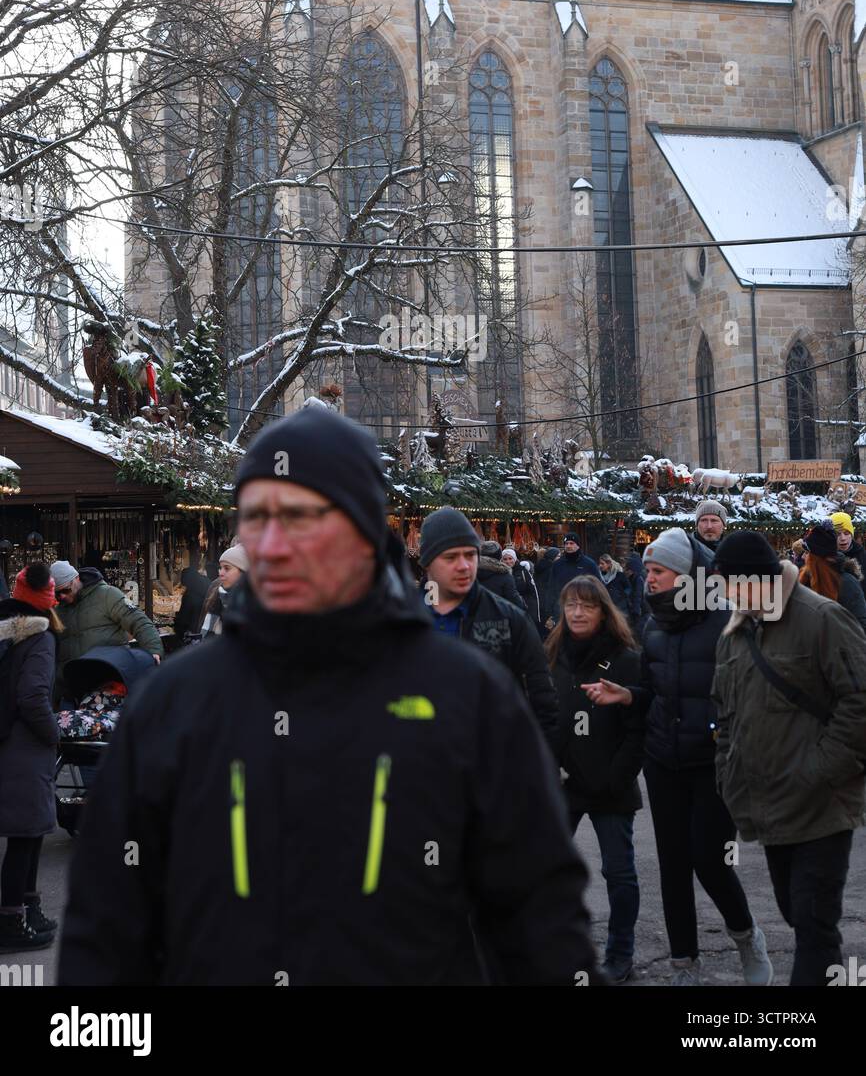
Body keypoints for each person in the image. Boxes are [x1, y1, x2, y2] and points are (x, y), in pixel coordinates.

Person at [59, 408, 602, 986]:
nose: (273, 540)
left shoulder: (465, 695)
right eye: (256, 517)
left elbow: (541, 922)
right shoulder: (175, 704)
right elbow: (105, 933)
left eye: (300, 515)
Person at [586, 527, 772, 987]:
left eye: (658, 571)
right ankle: (683, 963)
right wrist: (628, 695)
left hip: (711, 763)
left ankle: (746, 936)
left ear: (687, 575)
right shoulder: (654, 627)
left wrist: (722, 733)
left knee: (710, 858)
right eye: (647, 570)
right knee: (672, 866)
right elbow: (654, 692)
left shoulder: (727, 621)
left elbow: (748, 691)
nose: (648, 578)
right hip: (663, 761)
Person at [711, 530, 866, 987]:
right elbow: (724, 714)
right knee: (796, 914)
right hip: (768, 807)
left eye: (729, 582)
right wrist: (728, 774)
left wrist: (820, 770)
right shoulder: (735, 632)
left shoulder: (821, 618)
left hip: (821, 807)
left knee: (815, 927)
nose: (723, 591)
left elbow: (860, 700)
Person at [547, 575, 644, 984]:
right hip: (563, 785)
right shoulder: (551, 657)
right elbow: (543, 715)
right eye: (571, 605)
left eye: (587, 605)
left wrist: (616, 775)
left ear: (604, 610)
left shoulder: (624, 659)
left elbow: (638, 728)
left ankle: (621, 953)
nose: (578, 612)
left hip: (610, 784)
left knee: (618, 873)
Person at [420, 509, 558, 750]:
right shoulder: (402, 618)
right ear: (427, 563)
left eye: (470, 555)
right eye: (451, 557)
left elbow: (543, 700)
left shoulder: (509, 619)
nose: (464, 566)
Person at [0, 564, 61, 951]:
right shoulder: (39, 639)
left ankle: (27, 908)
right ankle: (10, 922)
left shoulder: (5, 630)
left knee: (31, 832)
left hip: (8, 741)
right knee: (26, 836)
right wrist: (54, 735)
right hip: (25, 746)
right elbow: (32, 697)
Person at [50, 561, 162, 690]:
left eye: (66, 590)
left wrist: (154, 651)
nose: (62, 596)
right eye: (57, 594)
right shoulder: (58, 611)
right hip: (73, 689)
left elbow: (139, 622)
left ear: (76, 578)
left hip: (110, 682)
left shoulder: (107, 595)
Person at [800, 523, 866, 637]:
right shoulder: (806, 579)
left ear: (817, 559)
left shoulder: (847, 583)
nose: (803, 557)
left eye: (807, 553)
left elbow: (860, 626)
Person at [194, 545, 250, 639]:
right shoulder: (217, 595)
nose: (221, 573)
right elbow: (205, 635)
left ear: (243, 572)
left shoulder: (258, 603)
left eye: (227, 568)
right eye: (221, 568)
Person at [476, 540, 526, 610]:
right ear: (499, 556)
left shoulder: (471, 574)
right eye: (505, 559)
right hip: (499, 618)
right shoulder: (505, 575)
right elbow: (516, 602)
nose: (508, 561)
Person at [501, 547, 541, 630]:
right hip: (505, 611)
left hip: (523, 609)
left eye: (510, 558)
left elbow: (533, 593)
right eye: (505, 559)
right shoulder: (499, 573)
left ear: (515, 559)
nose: (508, 561)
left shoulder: (523, 571)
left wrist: (534, 615)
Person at [830, 511, 866, 588]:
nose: (843, 538)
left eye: (846, 533)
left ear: (851, 535)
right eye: (837, 534)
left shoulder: (861, 554)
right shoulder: (825, 555)